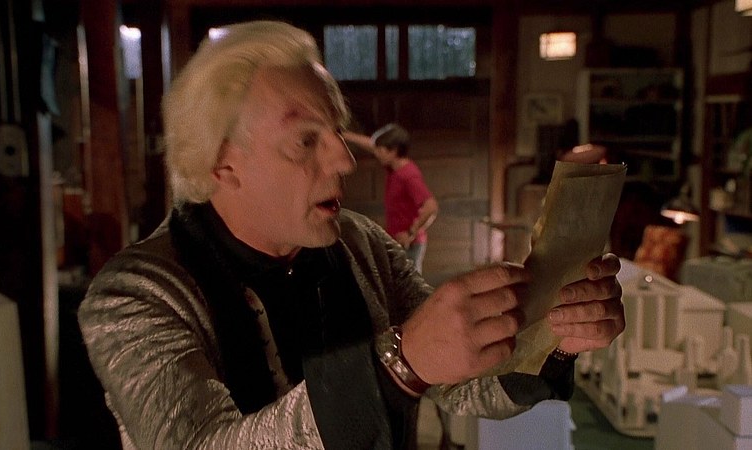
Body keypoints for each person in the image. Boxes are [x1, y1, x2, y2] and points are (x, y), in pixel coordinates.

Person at [78, 20, 626, 450]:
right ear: (223, 164)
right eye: (305, 140)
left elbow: (462, 387)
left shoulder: (360, 244)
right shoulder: (133, 297)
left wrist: (555, 335)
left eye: (337, 131)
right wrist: (399, 365)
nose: (343, 159)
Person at [343, 125, 438, 273]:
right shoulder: (394, 167)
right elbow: (372, 145)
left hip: (409, 245)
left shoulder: (408, 175)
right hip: (397, 242)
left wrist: (410, 233)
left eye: (380, 151)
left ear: (393, 151)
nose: (376, 153)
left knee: (409, 285)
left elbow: (431, 207)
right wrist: (344, 135)